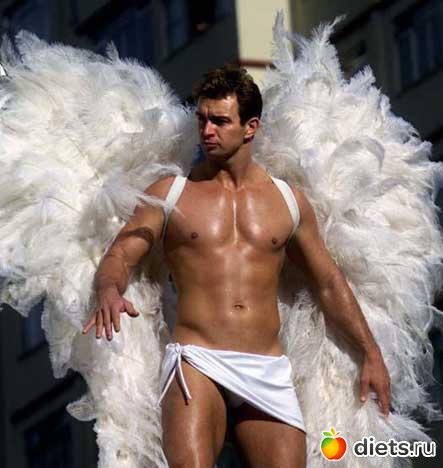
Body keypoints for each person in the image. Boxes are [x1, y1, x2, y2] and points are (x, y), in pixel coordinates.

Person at [82, 65, 391, 467]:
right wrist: (108, 288)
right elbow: (122, 253)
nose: (207, 130)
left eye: (220, 121)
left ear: (250, 127)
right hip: (197, 359)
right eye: (201, 119)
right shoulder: (172, 194)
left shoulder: (287, 201)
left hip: (266, 368)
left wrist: (370, 352)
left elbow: (328, 282)